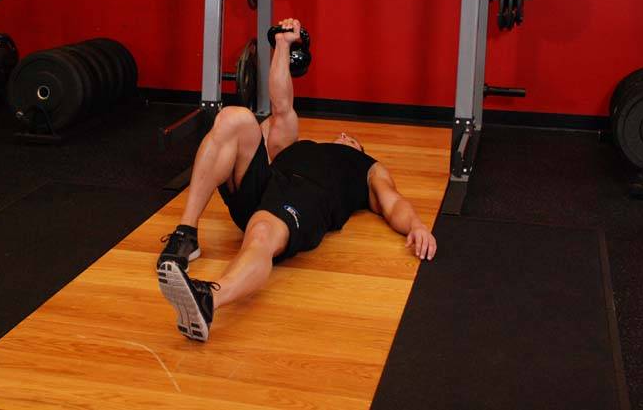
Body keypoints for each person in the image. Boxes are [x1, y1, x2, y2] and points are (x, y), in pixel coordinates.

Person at [157, 18, 437, 342]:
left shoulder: (366, 168)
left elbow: (392, 202)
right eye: (343, 136)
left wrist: (416, 225)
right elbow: (281, 105)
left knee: (262, 234)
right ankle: (187, 232)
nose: (344, 135)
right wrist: (282, 43)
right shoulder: (297, 146)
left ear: (357, 147)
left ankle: (209, 299)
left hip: (305, 201)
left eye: (351, 138)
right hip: (265, 185)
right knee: (234, 117)